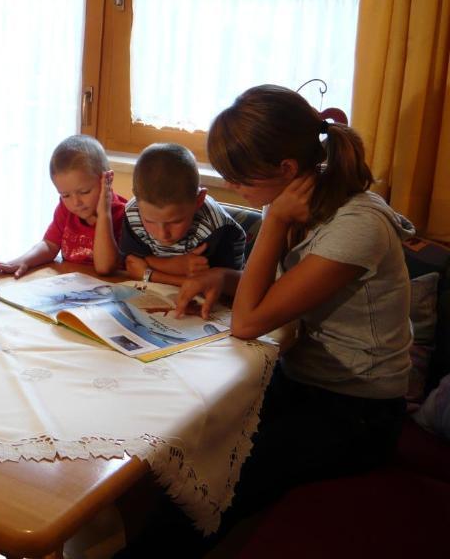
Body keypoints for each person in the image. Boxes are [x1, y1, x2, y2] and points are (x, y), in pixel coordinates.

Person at [127, 85, 413, 555]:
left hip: (357, 411)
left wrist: (275, 222)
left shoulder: (355, 226)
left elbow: (248, 323)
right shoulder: (300, 201)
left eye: (240, 180)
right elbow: (282, 289)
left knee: (216, 476)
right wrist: (223, 275)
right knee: (185, 429)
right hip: (300, 380)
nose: (234, 190)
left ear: (285, 170)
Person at [0, 134, 126, 278]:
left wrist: (104, 213)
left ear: (107, 181)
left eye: (84, 192)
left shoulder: (123, 215)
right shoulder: (66, 209)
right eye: (65, 195)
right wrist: (22, 261)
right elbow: (49, 245)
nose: (75, 203)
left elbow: (105, 268)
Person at [121, 143, 246, 286]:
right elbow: (130, 262)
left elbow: (214, 286)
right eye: (149, 221)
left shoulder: (218, 228)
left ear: (199, 200)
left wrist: (148, 270)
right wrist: (174, 265)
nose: (163, 234)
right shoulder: (133, 212)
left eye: (175, 222)